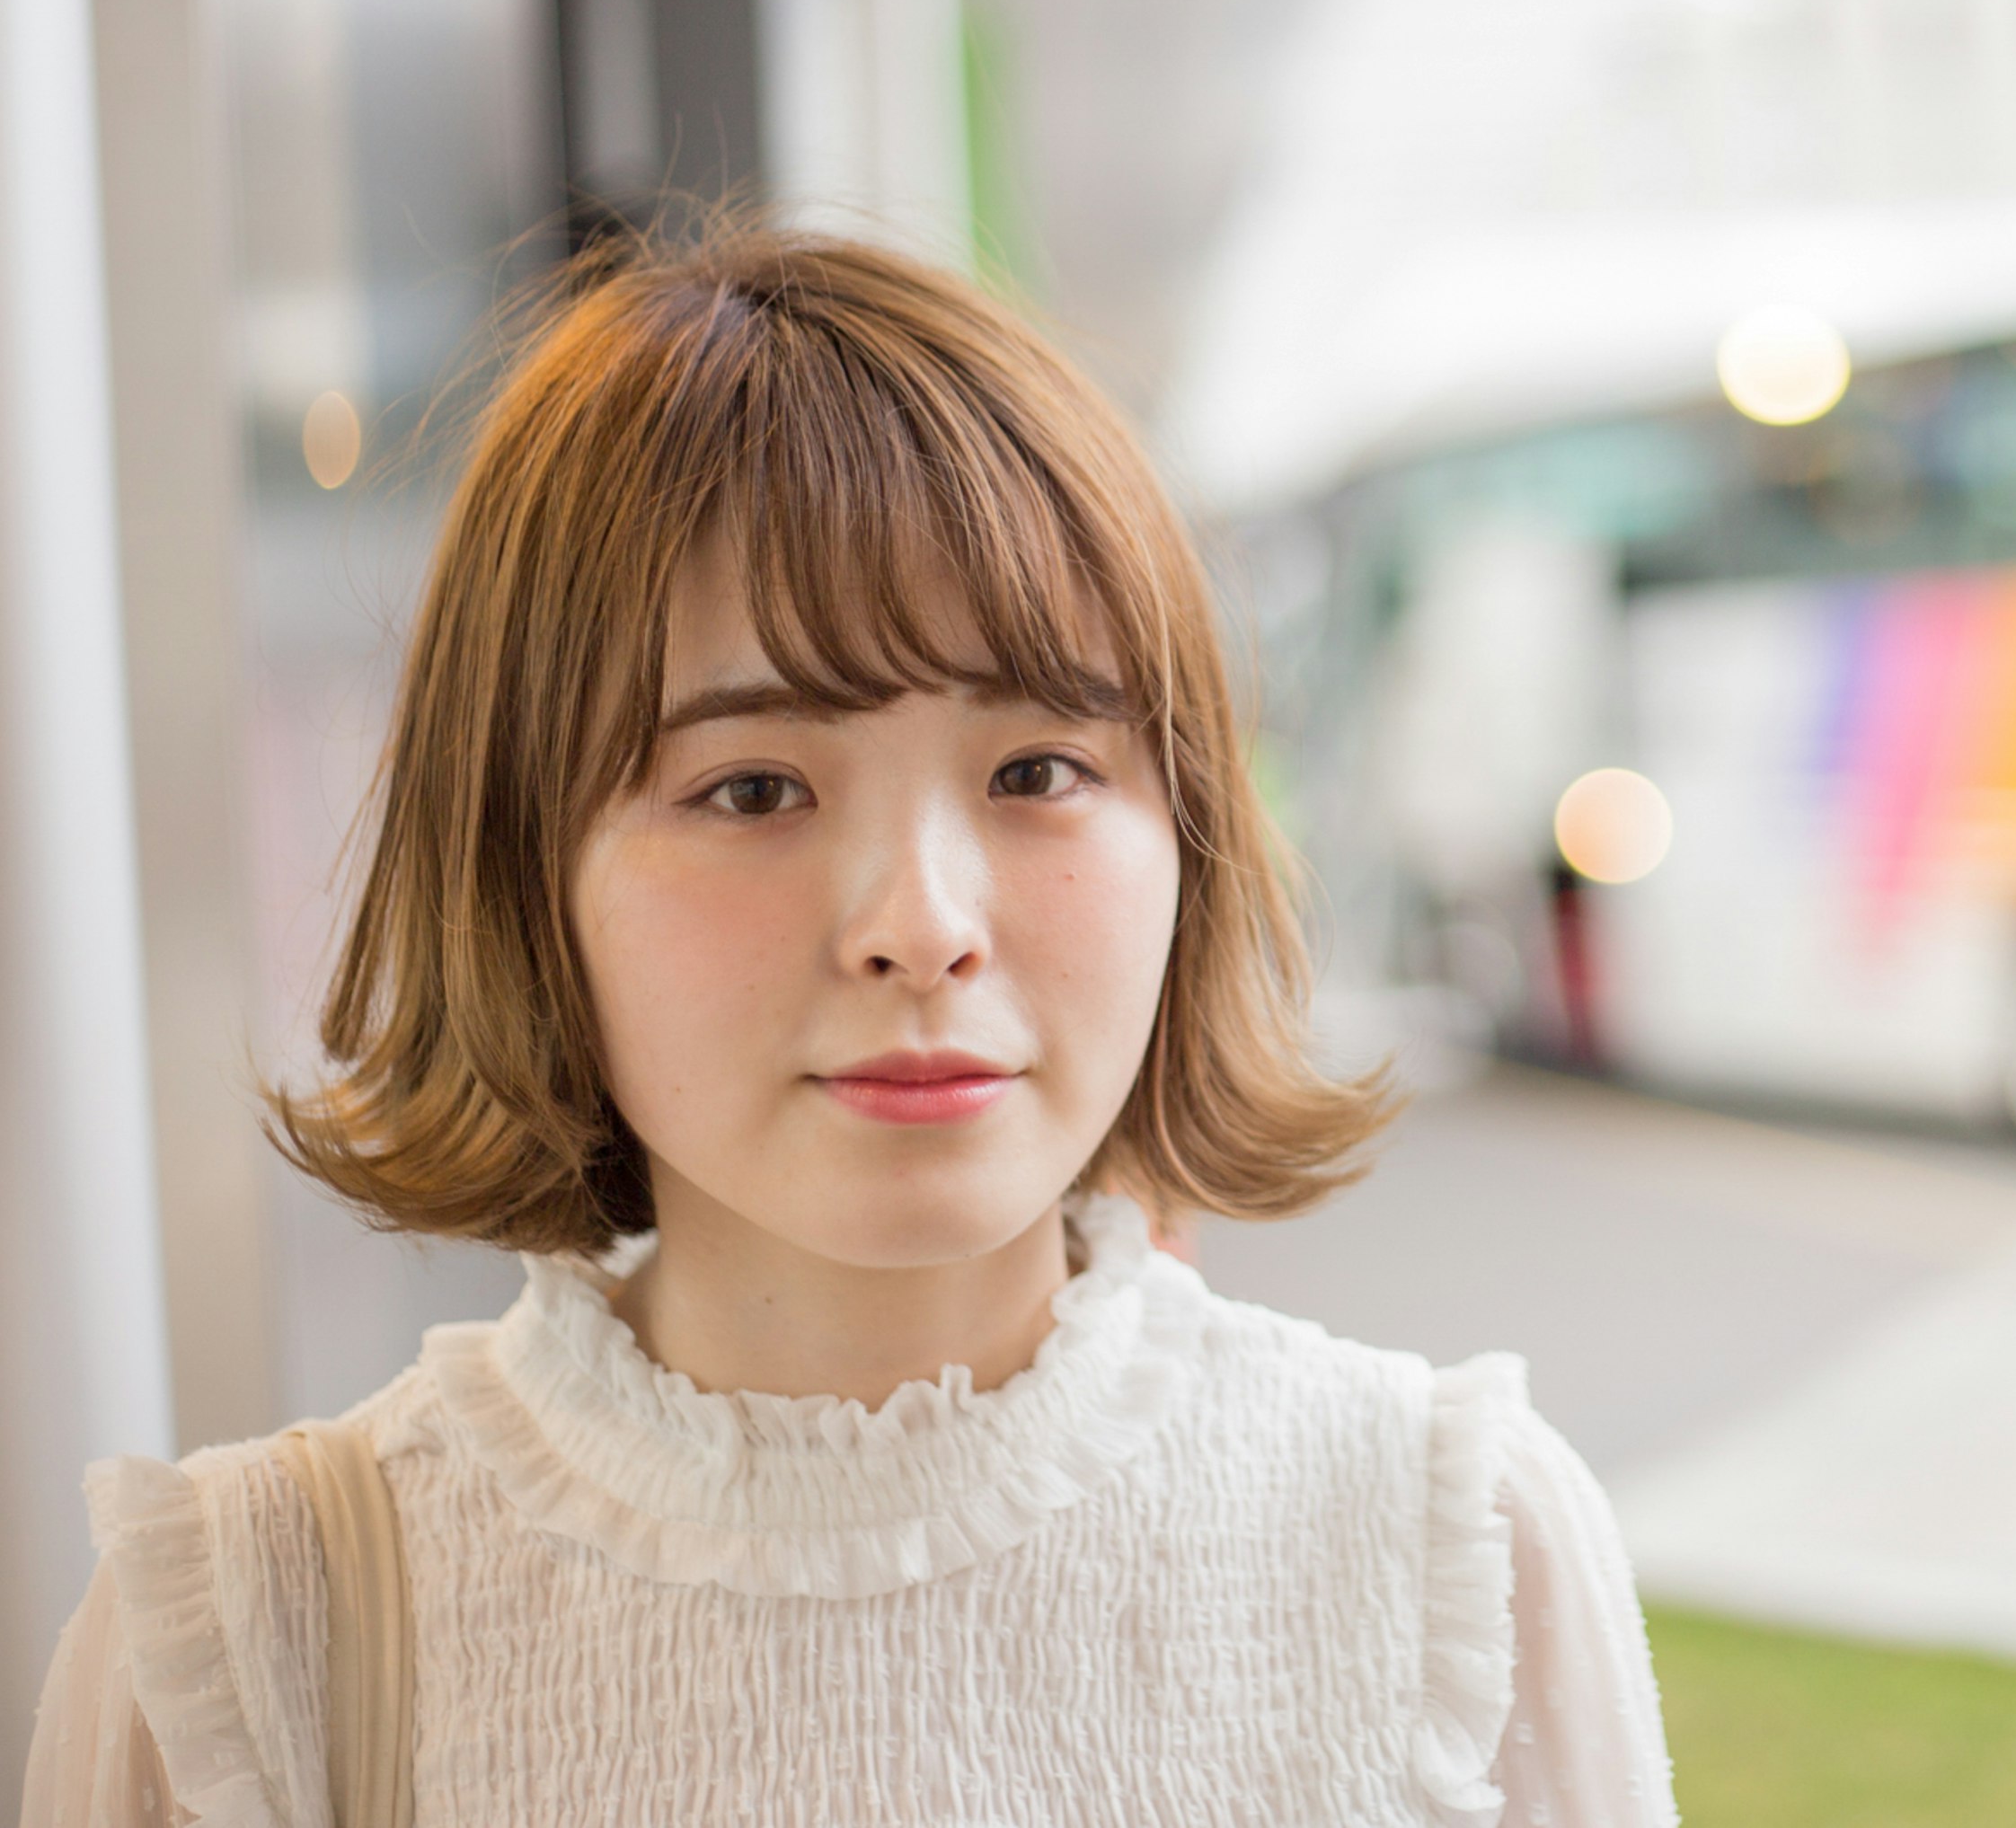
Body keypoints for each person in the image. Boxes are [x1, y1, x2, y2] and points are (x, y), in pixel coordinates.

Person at [19, 226, 1677, 1827]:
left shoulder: (1446, 1547)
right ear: (524, 876)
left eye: (1038, 772)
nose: (922, 926)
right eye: (752, 787)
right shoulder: (258, 1640)